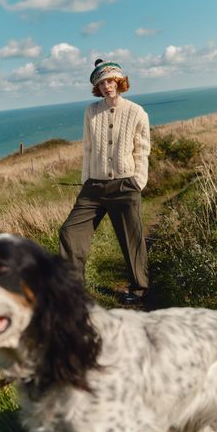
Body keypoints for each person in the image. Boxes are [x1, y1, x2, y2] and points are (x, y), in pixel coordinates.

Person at [59, 59, 151, 303]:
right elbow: (88, 148)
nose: (107, 86)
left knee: (131, 238)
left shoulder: (136, 112)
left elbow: (142, 150)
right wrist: (86, 180)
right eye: (101, 83)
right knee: (70, 231)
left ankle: (139, 289)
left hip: (125, 184)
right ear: (96, 87)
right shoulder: (91, 111)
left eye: (110, 81)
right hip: (94, 186)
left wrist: (138, 182)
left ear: (120, 82)